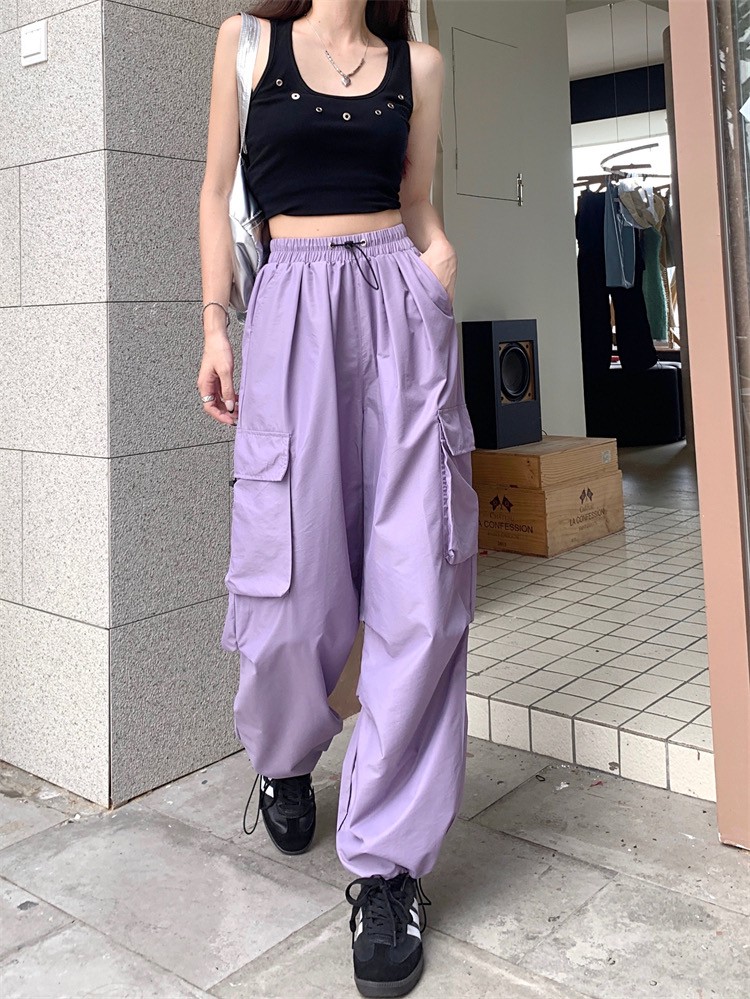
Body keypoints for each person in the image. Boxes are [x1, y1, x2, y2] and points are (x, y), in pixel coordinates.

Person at [197, 2, 478, 995]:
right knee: (288, 581)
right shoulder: (246, 45)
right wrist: (215, 324)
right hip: (290, 307)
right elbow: (216, 188)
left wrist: (437, 265)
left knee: (419, 584)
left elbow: (418, 200)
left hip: (402, 307)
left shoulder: (420, 66)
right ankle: (283, 752)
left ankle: (389, 867)